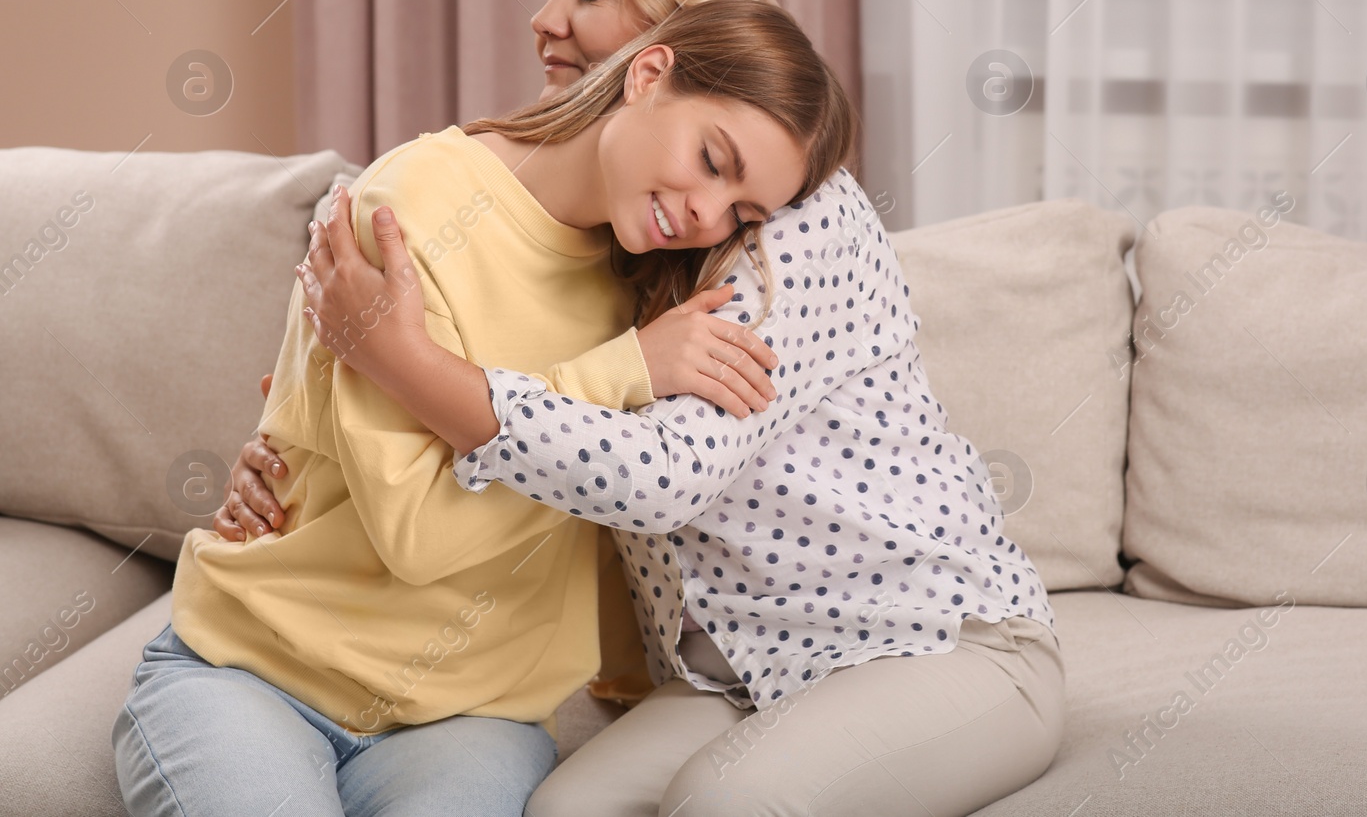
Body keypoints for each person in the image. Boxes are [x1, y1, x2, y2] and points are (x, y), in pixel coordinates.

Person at [112, 0, 857, 817]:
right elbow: (420, 534)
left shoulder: (668, 283)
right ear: (648, 74)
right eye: (712, 161)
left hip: (471, 720)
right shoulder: (416, 206)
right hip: (254, 672)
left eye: (742, 211)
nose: (705, 216)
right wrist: (623, 372)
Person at [247, 113, 1064, 817]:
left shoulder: (794, 222)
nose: (550, 19)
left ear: (661, 48)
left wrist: (408, 362)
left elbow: (663, 472)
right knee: (568, 808)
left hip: (939, 640)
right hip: (746, 668)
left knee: (725, 801)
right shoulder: (616, 227)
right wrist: (297, 436)